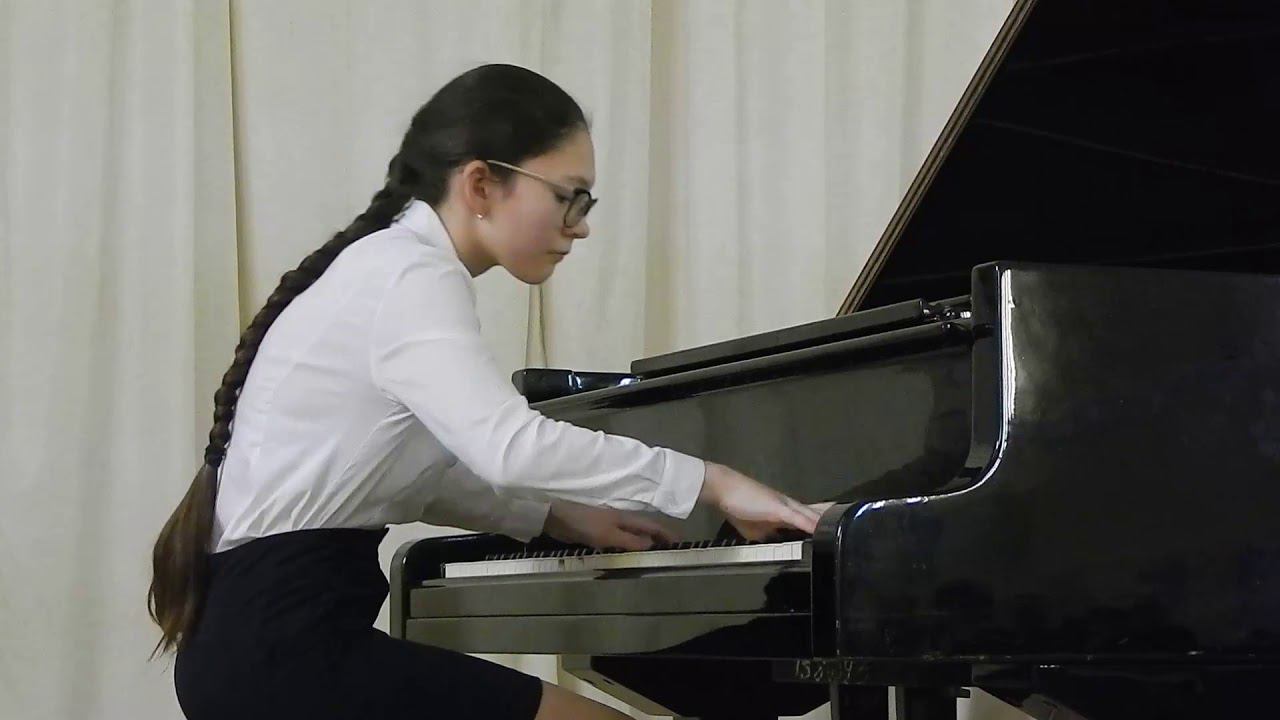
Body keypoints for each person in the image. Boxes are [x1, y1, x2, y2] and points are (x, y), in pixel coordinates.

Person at [149, 63, 826, 720]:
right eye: (568, 195)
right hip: (286, 652)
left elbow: (413, 473)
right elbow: (510, 447)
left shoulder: (387, 266)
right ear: (480, 184)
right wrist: (713, 482)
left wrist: (555, 517)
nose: (581, 223)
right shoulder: (411, 275)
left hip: (250, 644)